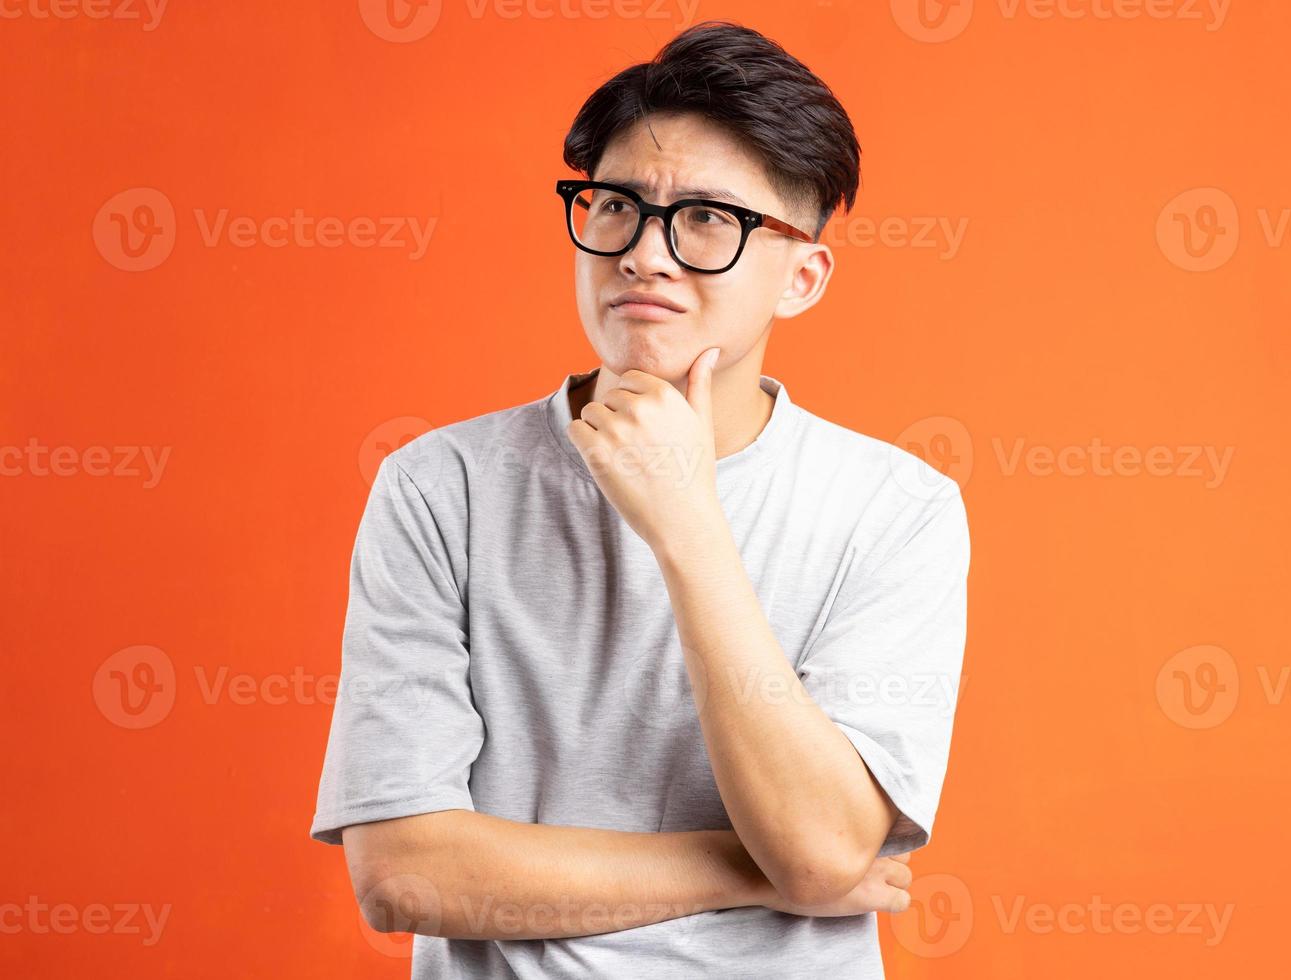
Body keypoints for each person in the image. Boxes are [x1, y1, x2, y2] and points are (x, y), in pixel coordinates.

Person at [310, 20, 970, 979]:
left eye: (709, 219)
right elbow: (404, 873)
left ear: (803, 275)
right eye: (618, 204)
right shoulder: (439, 486)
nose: (646, 254)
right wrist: (748, 874)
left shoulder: (896, 509)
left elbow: (824, 847)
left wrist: (688, 523)